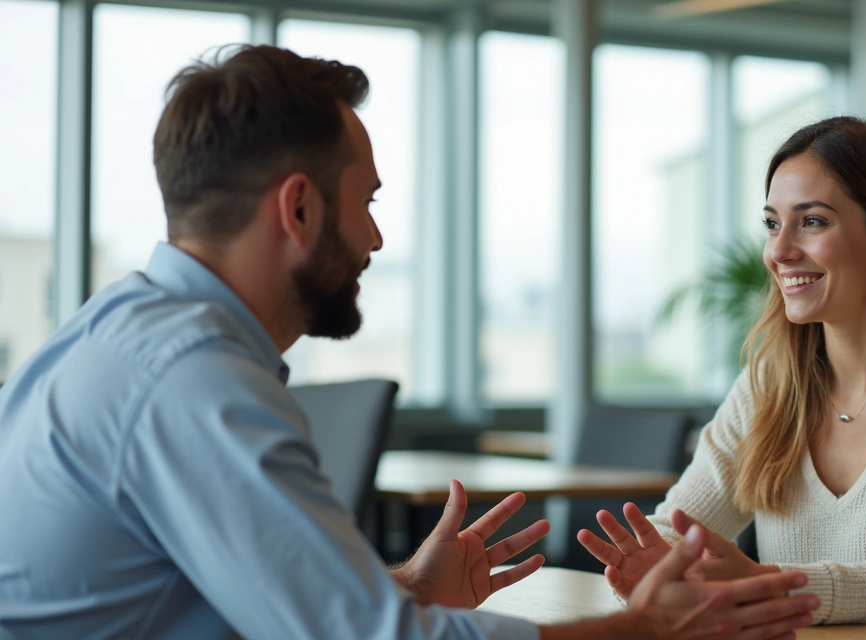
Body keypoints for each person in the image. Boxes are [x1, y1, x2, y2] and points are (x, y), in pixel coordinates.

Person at [0, 45, 822, 640]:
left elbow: (235, 602)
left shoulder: (112, 334)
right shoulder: (196, 381)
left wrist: (399, 588)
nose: (375, 240)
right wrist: (643, 633)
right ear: (298, 209)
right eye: (366, 202)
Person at [577, 116, 866, 630]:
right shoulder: (768, 383)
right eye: (772, 224)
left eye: (813, 222)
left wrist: (773, 587)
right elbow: (677, 528)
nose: (779, 252)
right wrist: (657, 571)